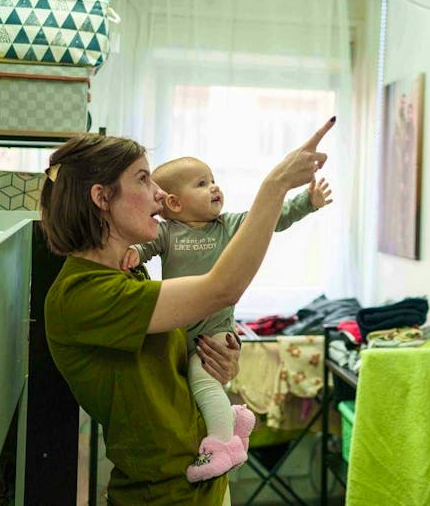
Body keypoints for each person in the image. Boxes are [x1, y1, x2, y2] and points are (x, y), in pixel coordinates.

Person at [39, 117, 334, 506]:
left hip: (202, 487)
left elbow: (170, 367)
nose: (160, 195)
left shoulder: (134, 274)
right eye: (143, 179)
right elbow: (221, 288)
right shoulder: (84, 294)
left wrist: (221, 362)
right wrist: (276, 184)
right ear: (101, 198)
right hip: (165, 496)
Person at [120, 155, 333, 481]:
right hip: (179, 330)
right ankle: (234, 421)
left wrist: (307, 201)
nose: (214, 187)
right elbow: (144, 249)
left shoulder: (229, 225)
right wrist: (132, 253)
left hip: (214, 331)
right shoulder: (167, 233)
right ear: (174, 202)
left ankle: (221, 445)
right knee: (191, 384)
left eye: (213, 179)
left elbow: (273, 217)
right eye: (202, 184)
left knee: (203, 379)